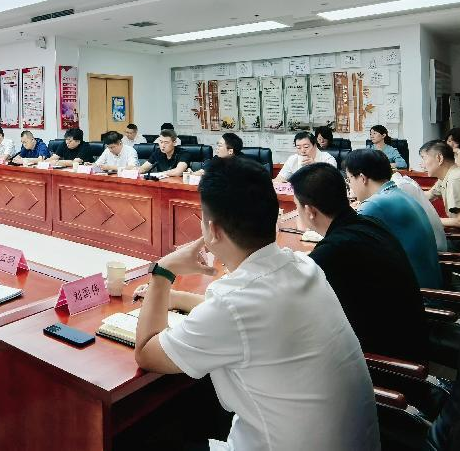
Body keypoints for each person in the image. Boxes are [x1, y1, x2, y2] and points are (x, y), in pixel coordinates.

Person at [132, 157, 379, 450]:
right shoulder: (303, 265)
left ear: (213, 229)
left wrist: (163, 272)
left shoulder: (233, 305)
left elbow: (146, 352)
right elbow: (244, 315)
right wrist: (177, 298)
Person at [289, 163, 430, 364]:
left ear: (310, 211)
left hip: (388, 362)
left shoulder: (333, 251)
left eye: (296, 205)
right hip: (413, 338)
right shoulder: (368, 223)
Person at [345, 149, 442, 289]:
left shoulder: (375, 204)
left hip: (417, 295)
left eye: (349, 179)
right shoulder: (398, 193)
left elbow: (349, 248)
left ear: (362, 178)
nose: (350, 186)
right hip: (430, 285)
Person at [392, 170, 447, 251]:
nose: (422, 165)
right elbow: (429, 195)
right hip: (434, 245)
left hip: (434, 251)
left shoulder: (399, 186)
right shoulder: (406, 182)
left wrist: (436, 220)